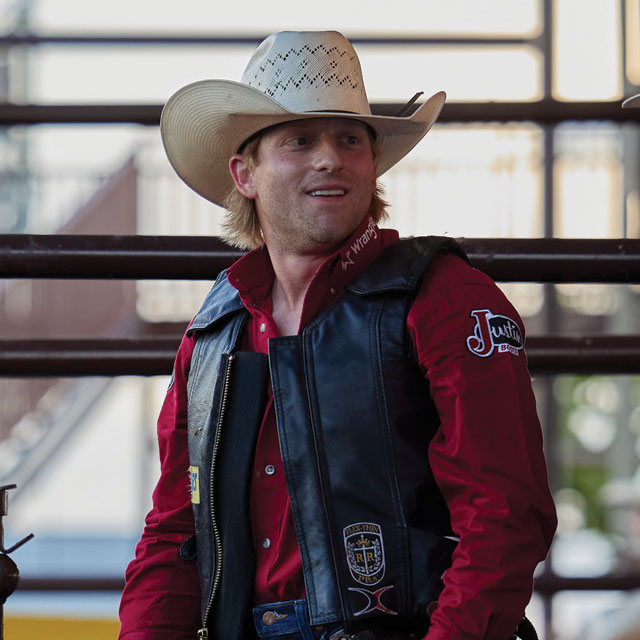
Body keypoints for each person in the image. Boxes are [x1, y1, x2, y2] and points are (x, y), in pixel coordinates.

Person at [118, 30, 557, 640]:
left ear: (371, 164)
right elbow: (174, 532)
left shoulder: (447, 299)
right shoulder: (215, 331)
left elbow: (503, 518)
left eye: (350, 139)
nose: (330, 158)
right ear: (245, 173)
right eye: (300, 140)